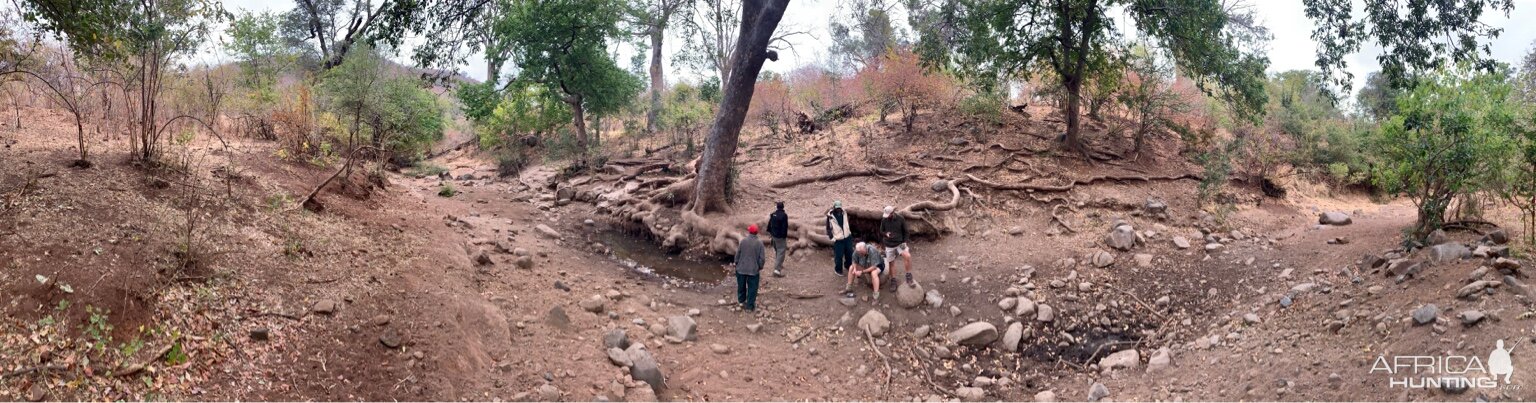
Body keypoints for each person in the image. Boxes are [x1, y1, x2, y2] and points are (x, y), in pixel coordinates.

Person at [735, 224, 766, 312]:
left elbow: (738, 254)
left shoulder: (743, 241)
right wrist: (760, 266)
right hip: (753, 270)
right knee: (752, 288)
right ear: (757, 233)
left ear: (749, 232)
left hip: (741, 268)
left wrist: (736, 263)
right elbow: (762, 258)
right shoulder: (759, 243)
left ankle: (741, 301)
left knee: (741, 285)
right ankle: (749, 306)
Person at [880, 205, 914, 286]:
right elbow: (881, 231)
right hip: (889, 244)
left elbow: (906, 232)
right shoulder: (884, 220)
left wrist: (904, 242)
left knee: (907, 256)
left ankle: (908, 275)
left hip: (900, 243)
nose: (887, 217)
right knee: (891, 262)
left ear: (892, 213)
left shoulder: (900, 219)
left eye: (888, 215)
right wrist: (886, 234)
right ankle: (893, 280)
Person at [826, 200, 853, 276]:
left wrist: (848, 232)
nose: (838, 209)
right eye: (837, 208)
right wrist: (832, 238)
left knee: (849, 253)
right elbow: (828, 228)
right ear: (834, 207)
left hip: (847, 237)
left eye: (839, 208)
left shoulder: (844, 213)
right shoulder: (830, 216)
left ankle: (848, 266)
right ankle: (838, 270)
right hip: (838, 239)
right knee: (839, 255)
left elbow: (846, 223)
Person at [767, 201, 790, 277]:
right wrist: (784, 236)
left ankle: (779, 264)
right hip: (780, 237)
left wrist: (770, 233)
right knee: (781, 252)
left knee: (778, 250)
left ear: (777, 207)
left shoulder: (773, 214)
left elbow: (769, 224)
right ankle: (777, 270)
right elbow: (785, 227)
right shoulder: (784, 215)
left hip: (773, 236)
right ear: (783, 207)